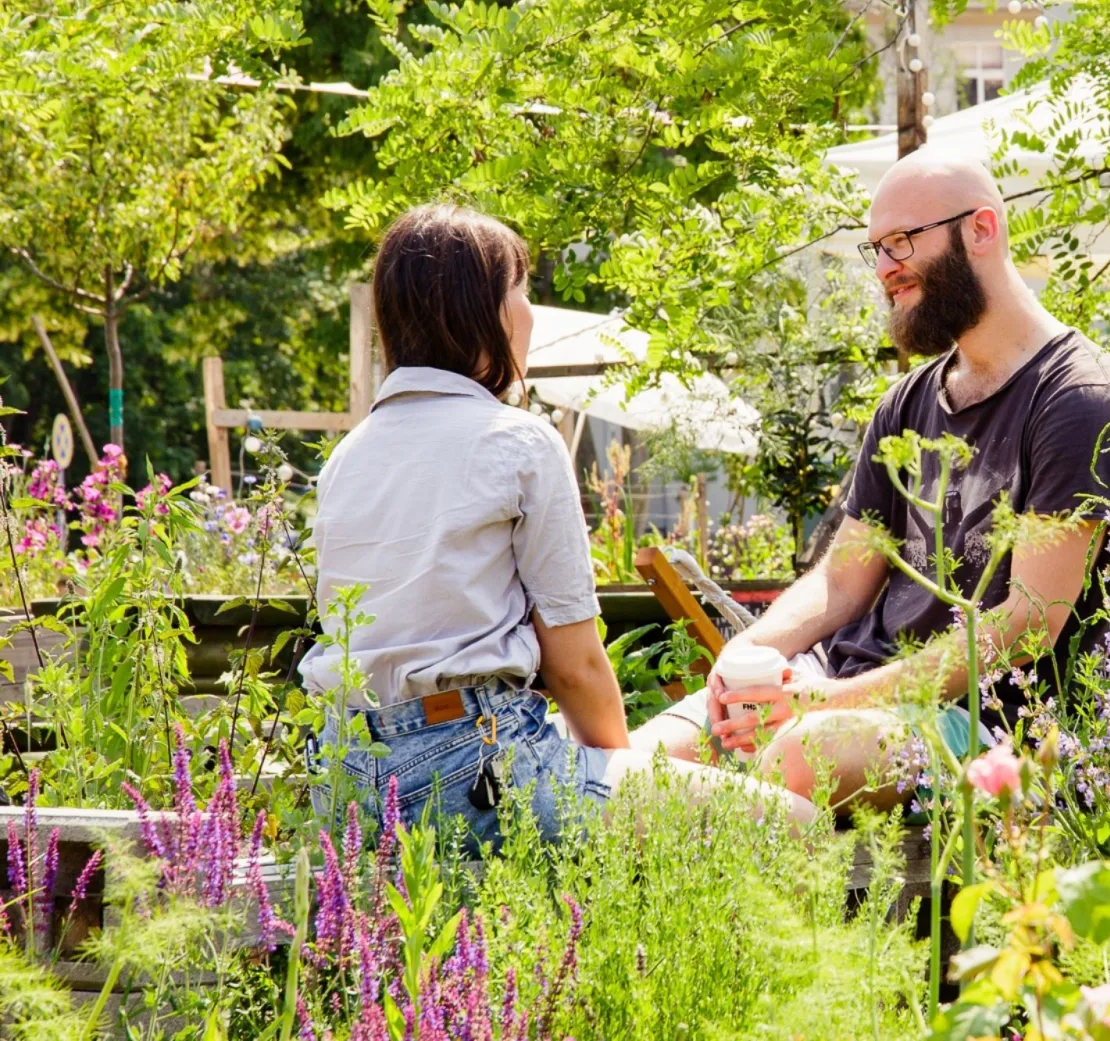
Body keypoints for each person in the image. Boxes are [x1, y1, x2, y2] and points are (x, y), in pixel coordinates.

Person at [653, 148, 1110, 811]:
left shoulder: (1080, 399)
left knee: (801, 756)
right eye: (876, 249)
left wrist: (827, 703)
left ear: (981, 229)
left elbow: (1028, 622)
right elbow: (839, 581)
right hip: (842, 685)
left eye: (901, 242)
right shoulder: (908, 402)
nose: (885, 268)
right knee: (641, 762)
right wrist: (745, 660)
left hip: (991, 730)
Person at [301, 204, 811, 849]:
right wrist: (619, 782)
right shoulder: (515, 441)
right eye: (518, 290)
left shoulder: (350, 454)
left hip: (347, 777)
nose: (528, 311)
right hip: (476, 769)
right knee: (794, 825)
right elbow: (576, 668)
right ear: (480, 310)